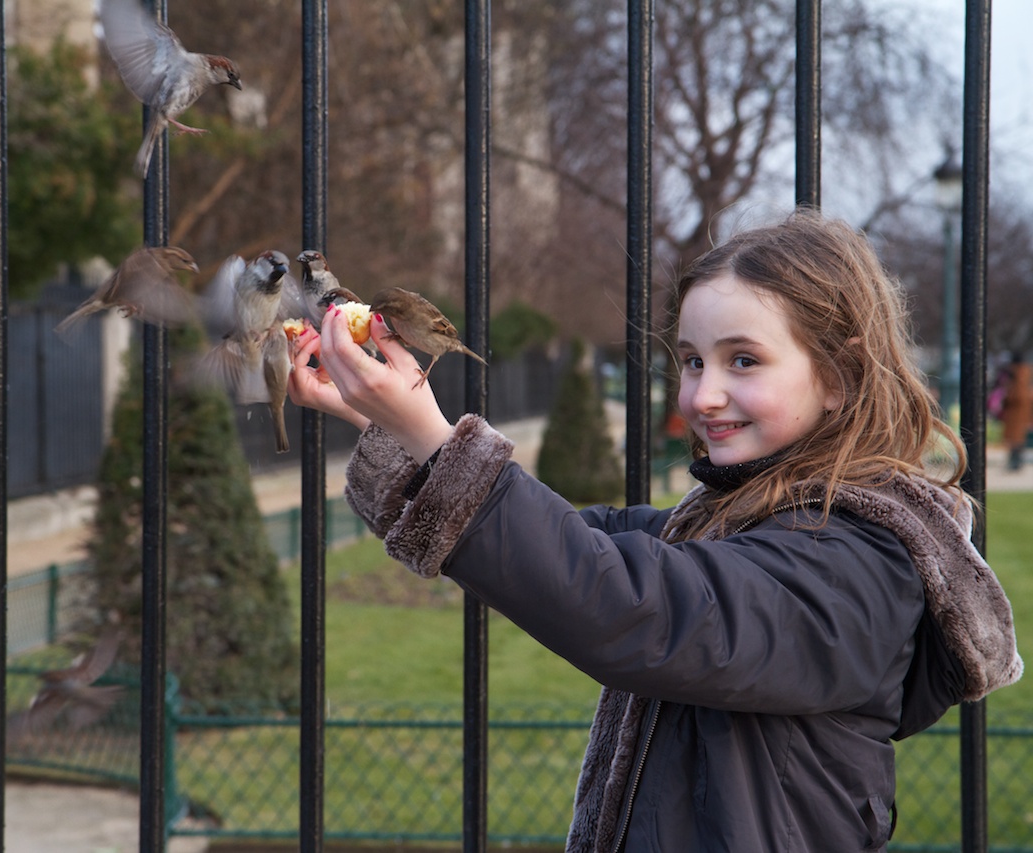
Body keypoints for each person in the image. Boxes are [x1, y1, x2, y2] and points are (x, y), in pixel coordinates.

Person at [287, 209, 1022, 852]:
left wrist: (434, 437)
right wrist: (398, 428)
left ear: (839, 376)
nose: (704, 393)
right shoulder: (730, 525)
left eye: (744, 360)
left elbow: (634, 606)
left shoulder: (859, 564)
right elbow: (575, 545)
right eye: (694, 359)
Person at [998, 352, 1033, 471]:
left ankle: (1015, 462)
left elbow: (1018, 395)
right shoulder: (1024, 374)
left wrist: (1007, 398)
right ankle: (1016, 461)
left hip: (1016, 413)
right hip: (1020, 413)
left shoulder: (1018, 375)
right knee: (1017, 439)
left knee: (1016, 439)